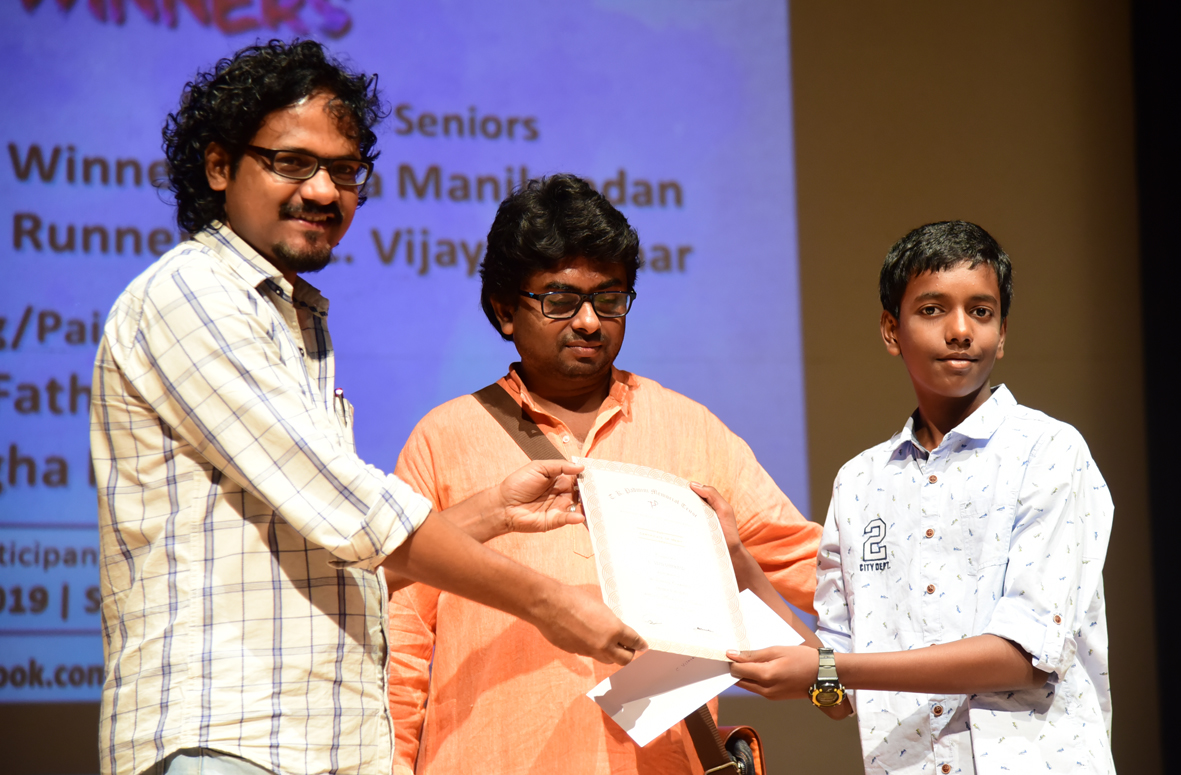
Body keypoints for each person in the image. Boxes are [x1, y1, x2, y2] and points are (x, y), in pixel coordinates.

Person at [90, 42, 643, 775]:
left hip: (309, 741)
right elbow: (346, 505)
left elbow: (333, 557)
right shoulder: (193, 294)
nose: (324, 191)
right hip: (228, 738)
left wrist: (492, 513)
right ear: (219, 166)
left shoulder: (290, 319)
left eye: (345, 171)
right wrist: (548, 602)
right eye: (292, 162)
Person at [384, 174, 823, 775]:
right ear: (505, 310)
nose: (590, 321)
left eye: (610, 299)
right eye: (561, 300)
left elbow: (812, 568)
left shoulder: (691, 430)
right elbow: (401, 641)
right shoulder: (444, 438)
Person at [726, 221, 1115, 774]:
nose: (960, 330)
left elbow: (1025, 656)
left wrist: (835, 669)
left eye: (981, 311)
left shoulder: (1049, 450)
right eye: (933, 310)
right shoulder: (859, 483)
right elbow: (836, 691)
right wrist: (745, 573)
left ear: (1003, 333)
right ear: (892, 330)